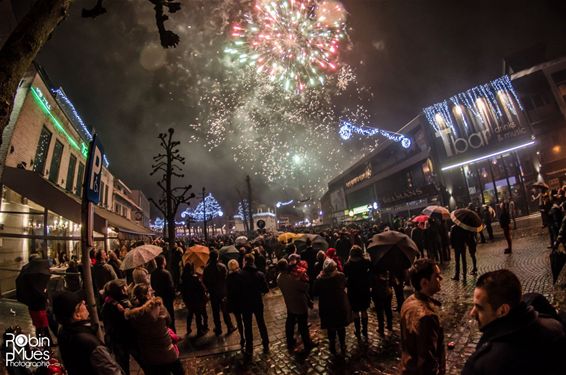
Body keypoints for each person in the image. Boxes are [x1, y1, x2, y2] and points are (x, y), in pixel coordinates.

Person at [462, 269, 566, 374]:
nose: (472, 313)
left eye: (479, 308)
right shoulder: (555, 327)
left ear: (503, 310)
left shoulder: (481, 366)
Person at [53, 290, 124, 375]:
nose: (84, 302)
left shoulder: (63, 331)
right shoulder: (89, 343)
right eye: (80, 304)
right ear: (77, 315)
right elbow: (112, 372)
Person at [399, 258, 445, 375]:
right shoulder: (427, 317)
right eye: (437, 276)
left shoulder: (408, 300)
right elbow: (426, 362)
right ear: (424, 282)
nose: (441, 279)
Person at [126, 284, 184, 375]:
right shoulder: (159, 307)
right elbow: (169, 321)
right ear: (147, 295)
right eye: (150, 291)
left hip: (150, 354)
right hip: (167, 349)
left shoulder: (134, 315)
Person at [277, 258, 317, 353]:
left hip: (289, 303)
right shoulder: (290, 278)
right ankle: (307, 343)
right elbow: (304, 287)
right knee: (302, 324)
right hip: (298, 303)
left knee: (290, 322)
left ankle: (290, 341)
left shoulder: (279, 278)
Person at [313, 258, 353, 356]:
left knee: (330, 326)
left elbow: (315, 292)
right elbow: (344, 285)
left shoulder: (319, 279)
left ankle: (332, 344)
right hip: (339, 303)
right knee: (340, 326)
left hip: (326, 305)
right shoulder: (340, 276)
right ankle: (342, 344)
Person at [101, 279, 134, 374]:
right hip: (128, 337)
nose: (127, 287)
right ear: (121, 290)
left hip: (115, 339)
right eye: (125, 286)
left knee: (123, 365)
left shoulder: (107, 304)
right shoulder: (125, 303)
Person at [240, 253, 270, 355]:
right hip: (257, 302)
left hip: (245, 303)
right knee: (261, 323)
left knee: (247, 326)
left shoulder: (240, 275)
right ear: (253, 261)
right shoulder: (259, 274)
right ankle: (265, 342)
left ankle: (249, 346)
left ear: (245, 261)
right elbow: (266, 289)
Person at [202, 250, 236, 336]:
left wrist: (209, 288)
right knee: (225, 310)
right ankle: (229, 326)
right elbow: (226, 278)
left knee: (215, 312)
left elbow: (204, 281)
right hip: (222, 291)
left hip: (213, 293)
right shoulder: (222, 266)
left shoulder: (207, 268)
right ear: (217, 257)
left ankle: (218, 328)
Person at [343, 245, 371, 339]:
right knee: (364, 310)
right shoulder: (366, 262)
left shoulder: (347, 265)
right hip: (364, 289)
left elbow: (345, 278)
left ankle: (358, 331)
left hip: (353, 290)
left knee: (355, 312)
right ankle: (365, 331)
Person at [180, 262, 209, 337]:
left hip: (188, 300)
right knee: (198, 315)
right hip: (197, 300)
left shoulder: (183, 279)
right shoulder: (195, 278)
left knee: (190, 314)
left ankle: (188, 328)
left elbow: (182, 291)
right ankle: (200, 331)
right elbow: (201, 289)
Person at [151, 255, 177, 332]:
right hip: (167, 298)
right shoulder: (166, 273)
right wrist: (173, 296)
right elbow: (171, 287)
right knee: (170, 315)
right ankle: (173, 333)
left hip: (159, 297)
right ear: (163, 262)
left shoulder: (153, 274)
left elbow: (152, 285)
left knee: (162, 315)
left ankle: (167, 332)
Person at [226, 259, 245, 350]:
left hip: (235, 302)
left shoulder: (228, 278)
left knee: (239, 321)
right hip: (243, 300)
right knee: (246, 319)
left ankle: (242, 337)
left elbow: (228, 291)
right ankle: (247, 337)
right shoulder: (242, 275)